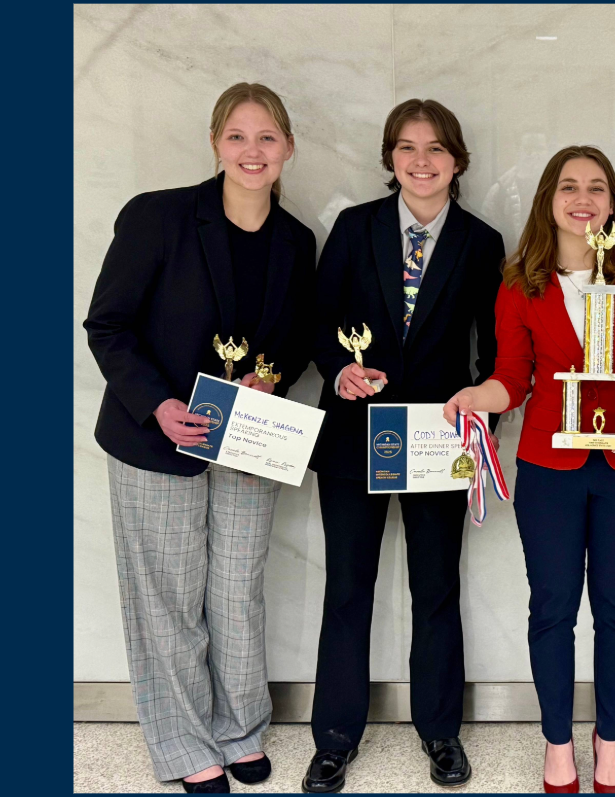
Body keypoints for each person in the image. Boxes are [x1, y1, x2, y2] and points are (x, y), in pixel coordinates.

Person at [84, 82, 315, 793]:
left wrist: (271, 381)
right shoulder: (159, 218)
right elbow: (108, 325)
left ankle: (241, 727)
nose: (253, 151)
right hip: (158, 440)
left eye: (267, 138)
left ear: (288, 149)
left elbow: (298, 337)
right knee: (169, 596)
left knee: (237, 591)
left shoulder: (297, 240)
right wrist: (157, 403)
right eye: (239, 136)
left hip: (248, 443)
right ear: (216, 143)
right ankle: (186, 742)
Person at [442, 145, 615, 794]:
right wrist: (477, 397)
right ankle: (558, 743)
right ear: (548, 200)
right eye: (568, 186)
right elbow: (511, 379)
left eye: (597, 187)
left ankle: (609, 740)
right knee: (552, 609)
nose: (582, 197)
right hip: (549, 470)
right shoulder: (520, 281)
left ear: (614, 203)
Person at [301, 99, 505, 793]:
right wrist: (339, 367)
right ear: (390, 158)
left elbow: (496, 349)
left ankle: (441, 731)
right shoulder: (355, 228)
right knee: (348, 586)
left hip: (436, 440)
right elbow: (319, 320)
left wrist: (480, 427)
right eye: (408, 147)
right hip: (357, 434)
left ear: (458, 159)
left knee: (436, 586)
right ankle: (333, 737)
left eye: (436, 148)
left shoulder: (482, 242)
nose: (422, 161)